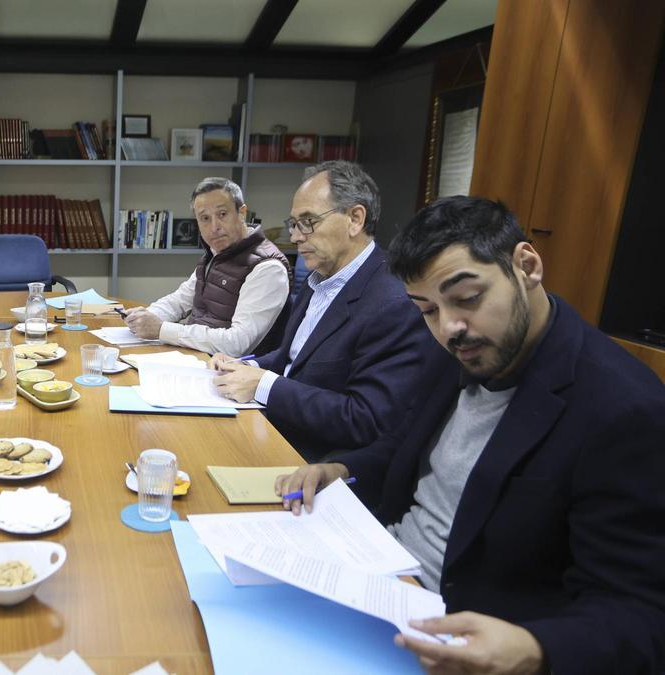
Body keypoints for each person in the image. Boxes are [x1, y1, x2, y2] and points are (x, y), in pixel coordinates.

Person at [277, 197, 665, 674]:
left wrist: (534, 648)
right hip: (379, 583)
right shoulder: (458, 350)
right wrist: (342, 468)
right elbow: (403, 447)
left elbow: (641, 614)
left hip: (463, 640)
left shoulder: (623, 410)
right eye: (427, 310)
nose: (449, 328)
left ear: (527, 265)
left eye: (467, 298)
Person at [209, 161, 436, 462]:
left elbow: (365, 419)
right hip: (271, 427)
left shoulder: (392, 304)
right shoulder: (319, 278)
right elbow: (292, 359)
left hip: (314, 461)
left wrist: (264, 385)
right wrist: (244, 365)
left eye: (308, 222)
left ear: (355, 219)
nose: (296, 237)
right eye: (294, 224)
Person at [124, 177, 291, 356]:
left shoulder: (268, 268)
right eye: (204, 218)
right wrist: (144, 317)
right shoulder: (216, 253)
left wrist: (162, 330)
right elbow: (180, 300)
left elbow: (237, 344)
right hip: (194, 356)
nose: (214, 227)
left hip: (229, 374)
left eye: (222, 214)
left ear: (242, 213)